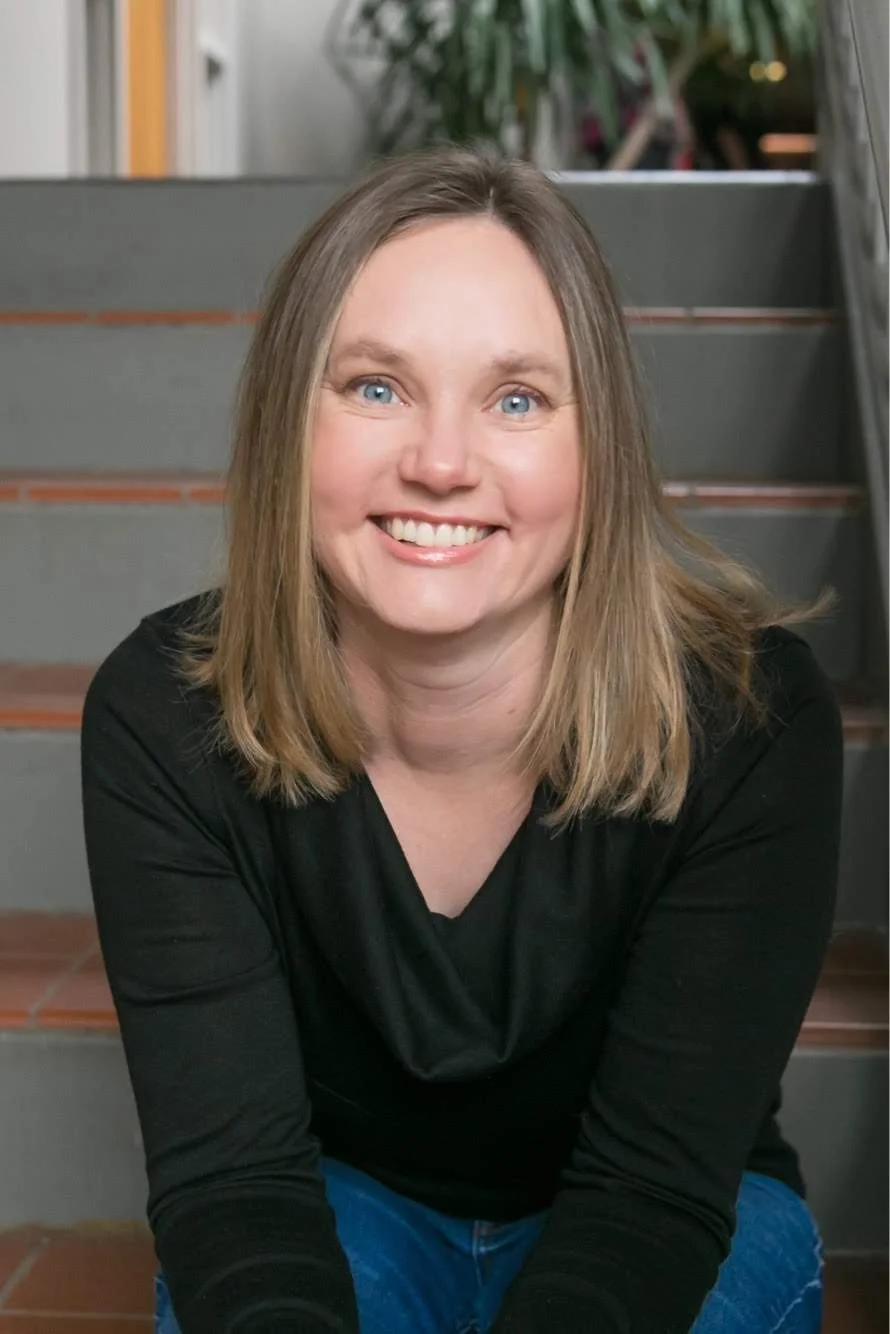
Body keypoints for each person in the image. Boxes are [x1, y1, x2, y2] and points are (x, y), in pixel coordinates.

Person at [80, 144, 843, 1334]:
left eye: (517, 398)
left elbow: (647, 1195)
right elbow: (238, 1192)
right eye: (376, 386)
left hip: (666, 1218)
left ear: (597, 453)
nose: (439, 463)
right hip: (346, 1206)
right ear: (292, 423)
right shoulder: (165, 713)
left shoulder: (747, 717)